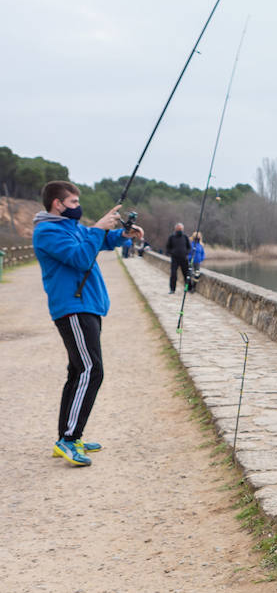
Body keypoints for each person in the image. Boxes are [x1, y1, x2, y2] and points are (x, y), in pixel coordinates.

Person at [32, 181, 143, 466]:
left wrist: (123, 234)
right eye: (73, 202)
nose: (77, 206)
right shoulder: (47, 231)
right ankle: (68, 439)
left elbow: (103, 241)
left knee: (77, 371)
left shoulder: (72, 228)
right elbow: (81, 257)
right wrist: (97, 228)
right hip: (73, 308)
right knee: (91, 370)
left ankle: (70, 436)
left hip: (87, 306)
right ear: (57, 203)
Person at [166, 222, 192, 293]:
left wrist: (186, 253)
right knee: (173, 274)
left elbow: (189, 247)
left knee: (186, 274)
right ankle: (172, 289)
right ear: (175, 229)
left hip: (184, 258)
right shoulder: (171, 237)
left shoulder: (185, 237)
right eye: (178, 229)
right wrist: (172, 253)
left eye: (181, 229)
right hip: (175, 259)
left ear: (183, 229)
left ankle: (188, 288)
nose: (179, 230)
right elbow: (168, 247)